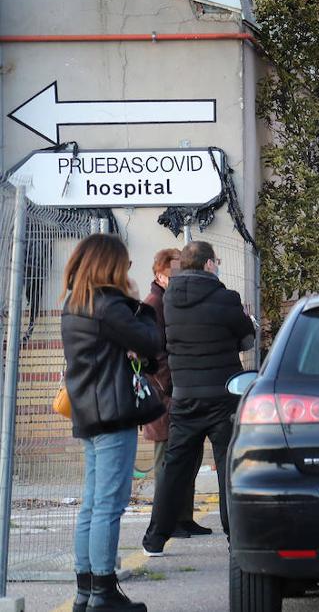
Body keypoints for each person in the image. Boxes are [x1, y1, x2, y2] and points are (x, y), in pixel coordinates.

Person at [62, 234, 162, 612]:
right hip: (113, 413)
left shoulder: (75, 303)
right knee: (109, 505)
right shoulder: (108, 306)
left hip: (88, 413)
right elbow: (151, 342)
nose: (128, 269)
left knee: (92, 505)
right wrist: (140, 305)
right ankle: (103, 592)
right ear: (110, 265)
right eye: (125, 263)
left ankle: (86, 591)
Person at [142, 241, 255, 557]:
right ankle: (236, 539)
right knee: (228, 468)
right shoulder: (226, 298)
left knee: (174, 469)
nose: (217, 265)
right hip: (223, 396)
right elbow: (246, 340)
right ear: (208, 264)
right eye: (216, 261)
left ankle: (154, 539)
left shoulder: (170, 300)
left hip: (185, 397)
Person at [140, 248, 210, 539]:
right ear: (160, 275)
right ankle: (168, 522)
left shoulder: (173, 301)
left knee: (188, 456)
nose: (181, 277)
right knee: (168, 462)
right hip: (164, 395)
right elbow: (153, 353)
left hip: (178, 392)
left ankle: (184, 517)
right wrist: (170, 385)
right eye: (174, 273)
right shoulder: (154, 304)